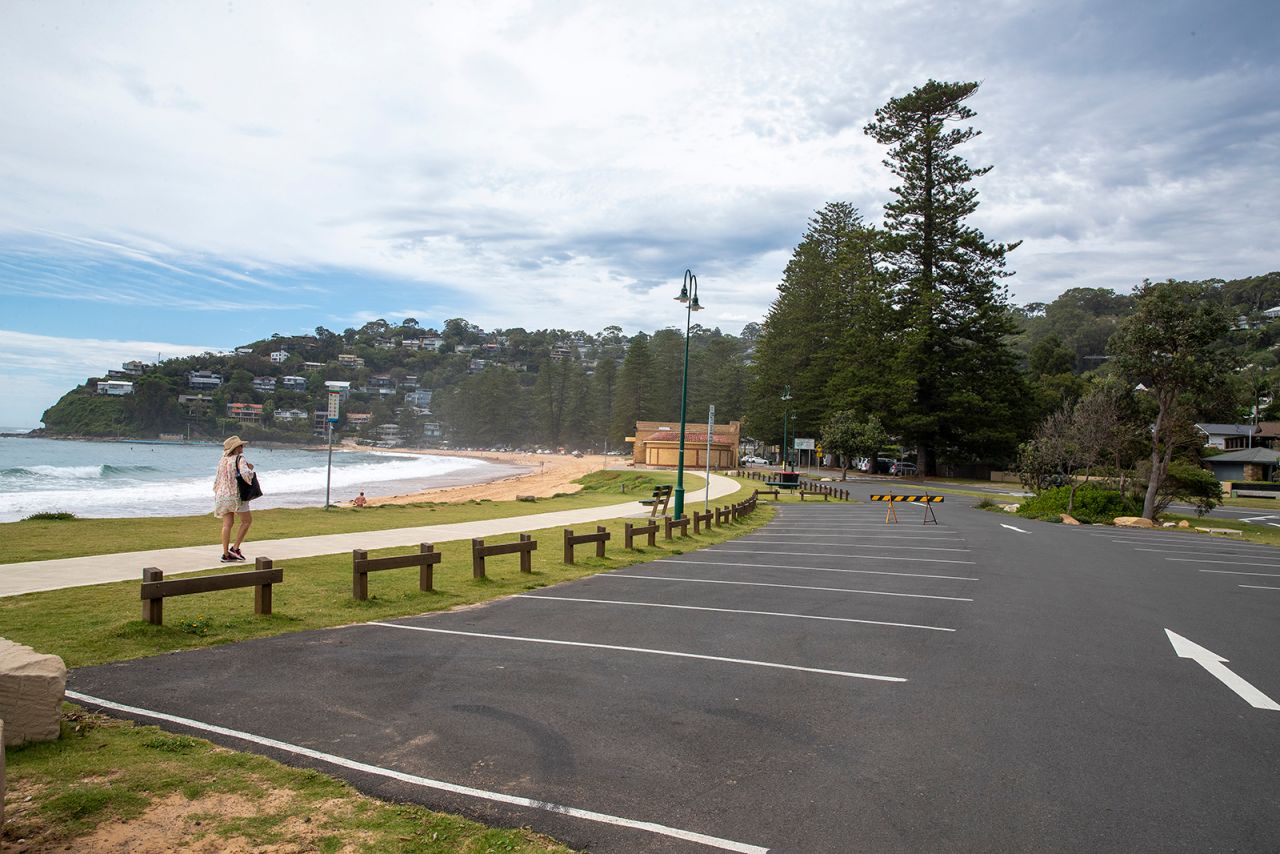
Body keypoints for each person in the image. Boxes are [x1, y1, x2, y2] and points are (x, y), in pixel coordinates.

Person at [213, 435, 256, 562]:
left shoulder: (222, 460)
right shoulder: (240, 458)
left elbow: (217, 479)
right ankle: (235, 548)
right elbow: (245, 475)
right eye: (241, 445)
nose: (243, 447)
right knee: (247, 521)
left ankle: (225, 554)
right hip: (235, 496)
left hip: (222, 496)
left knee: (227, 525)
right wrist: (250, 469)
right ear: (236, 448)